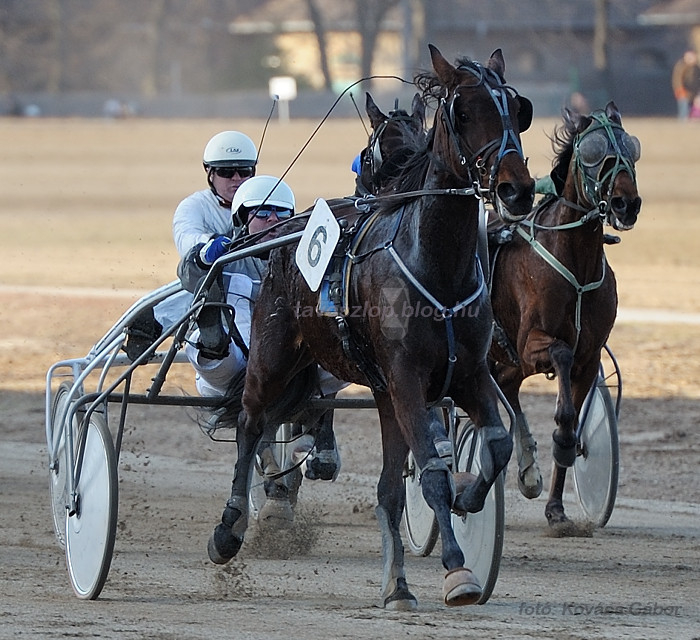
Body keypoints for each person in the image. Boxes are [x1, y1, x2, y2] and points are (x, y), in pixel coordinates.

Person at [178, 175, 342, 488]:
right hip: (233, 372)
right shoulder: (224, 251)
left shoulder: (305, 257)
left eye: (282, 214)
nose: (274, 221)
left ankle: (320, 430)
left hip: (294, 367)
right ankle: (213, 340)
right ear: (242, 219)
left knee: (341, 348)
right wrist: (203, 257)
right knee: (227, 327)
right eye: (263, 214)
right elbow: (186, 275)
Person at [671, 50, 700, 120]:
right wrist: (680, 90)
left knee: (693, 109)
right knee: (684, 109)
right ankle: (683, 122)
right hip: (682, 91)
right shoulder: (680, 66)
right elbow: (677, 79)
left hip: (694, 92)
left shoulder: (696, 67)